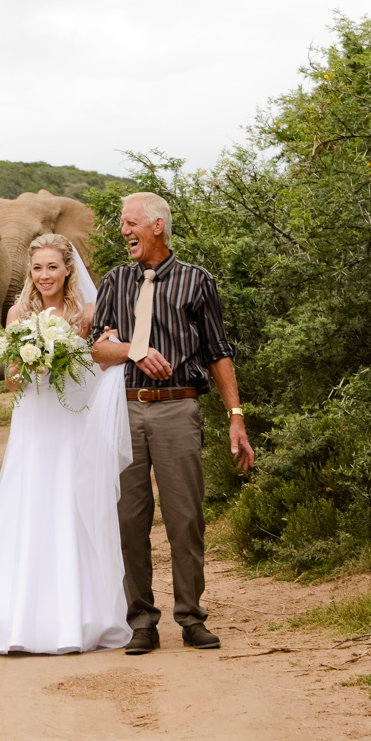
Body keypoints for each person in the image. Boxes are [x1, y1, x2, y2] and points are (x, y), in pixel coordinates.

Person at [90, 192, 255, 654]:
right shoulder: (114, 282)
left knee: (185, 517)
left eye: (130, 222)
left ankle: (191, 617)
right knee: (129, 520)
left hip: (178, 407)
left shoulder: (196, 281)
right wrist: (133, 350)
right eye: (123, 223)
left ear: (157, 226)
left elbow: (218, 351)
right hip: (125, 409)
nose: (123, 230)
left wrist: (236, 417)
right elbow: (97, 349)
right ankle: (141, 621)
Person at [0, 234, 134, 654]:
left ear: (68, 269)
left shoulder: (88, 312)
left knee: (71, 506)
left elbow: (99, 364)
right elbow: (11, 381)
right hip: (33, 423)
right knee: (28, 506)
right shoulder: (18, 313)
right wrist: (30, 359)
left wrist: (67, 357)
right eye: (37, 268)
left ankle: (80, 618)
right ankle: (17, 620)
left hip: (72, 421)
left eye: (52, 267)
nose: (44, 275)